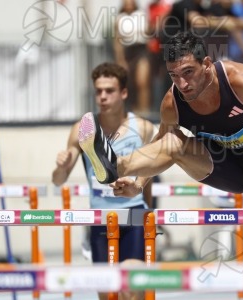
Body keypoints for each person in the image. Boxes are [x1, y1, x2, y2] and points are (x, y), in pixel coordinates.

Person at [77, 31, 243, 264]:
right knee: (173, 142)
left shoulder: (238, 78)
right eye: (174, 76)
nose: (183, 84)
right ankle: (114, 164)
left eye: (188, 72)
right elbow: (160, 145)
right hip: (224, 166)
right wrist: (138, 184)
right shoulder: (173, 103)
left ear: (206, 64)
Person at [52, 62, 154, 300]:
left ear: (124, 93)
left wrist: (153, 216)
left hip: (135, 216)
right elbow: (58, 180)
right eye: (98, 91)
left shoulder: (143, 127)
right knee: (108, 294)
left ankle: (113, 165)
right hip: (100, 218)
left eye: (109, 90)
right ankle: (105, 161)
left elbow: (151, 175)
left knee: (131, 289)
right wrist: (61, 165)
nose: (102, 96)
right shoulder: (82, 129)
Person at [114, 0, 152, 115]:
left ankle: (145, 111)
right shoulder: (119, 19)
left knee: (142, 81)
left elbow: (149, 32)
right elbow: (117, 41)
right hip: (127, 51)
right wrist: (120, 59)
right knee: (129, 84)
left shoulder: (142, 14)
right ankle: (133, 111)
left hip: (141, 50)